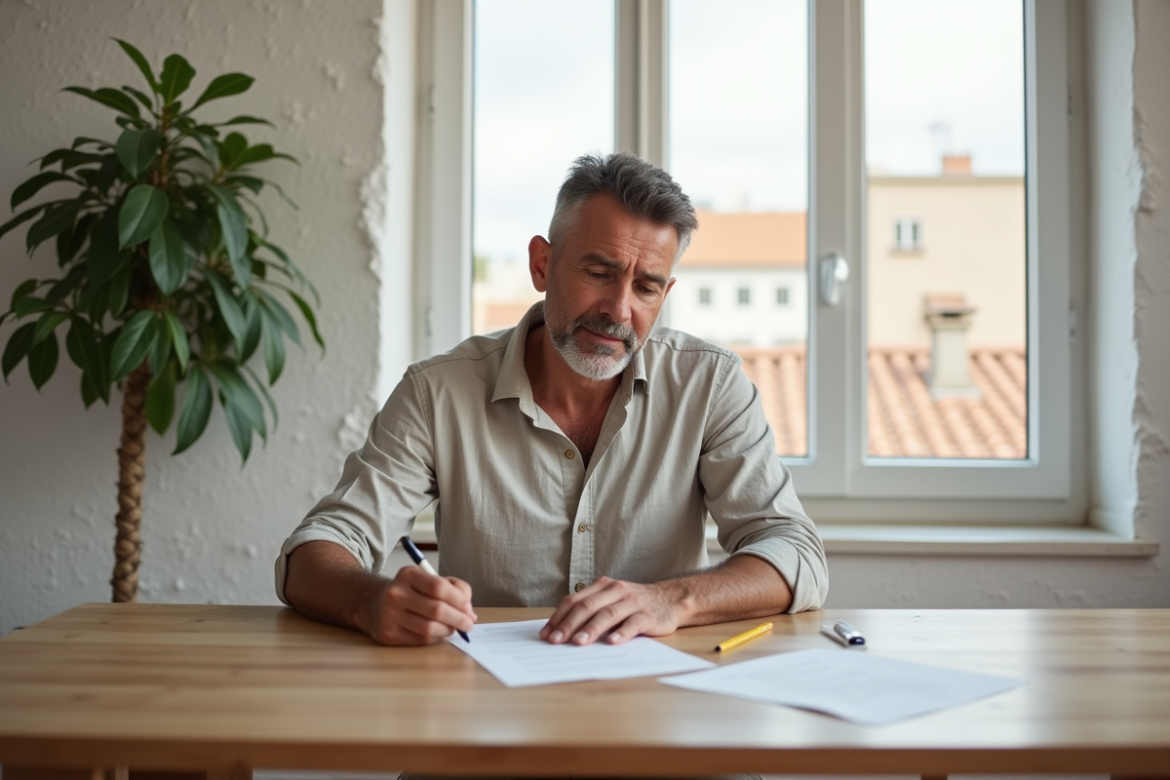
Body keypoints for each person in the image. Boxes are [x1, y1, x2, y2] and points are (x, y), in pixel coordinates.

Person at [276, 152, 827, 648]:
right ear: (543, 265)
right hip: (486, 718)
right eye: (599, 272)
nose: (618, 309)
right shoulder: (437, 392)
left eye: (646, 287)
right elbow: (316, 549)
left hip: (663, 717)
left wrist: (671, 600)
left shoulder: (710, 385)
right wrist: (371, 601)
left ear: (665, 293)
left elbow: (795, 552)